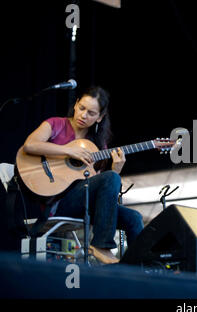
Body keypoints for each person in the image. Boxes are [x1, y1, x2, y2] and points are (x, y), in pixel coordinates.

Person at [22, 86, 144, 264]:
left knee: (134, 218)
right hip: (56, 203)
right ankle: (101, 244)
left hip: (85, 205)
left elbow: (102, 188)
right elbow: (30, 145)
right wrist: (68, 151)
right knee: (110, 178)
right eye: (82, 108)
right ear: (76, 104)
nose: (84, 115)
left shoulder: (97, 145)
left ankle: (136, 271)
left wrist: (115, 170)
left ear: (100, 118)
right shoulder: (56, 124)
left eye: (91, 113)